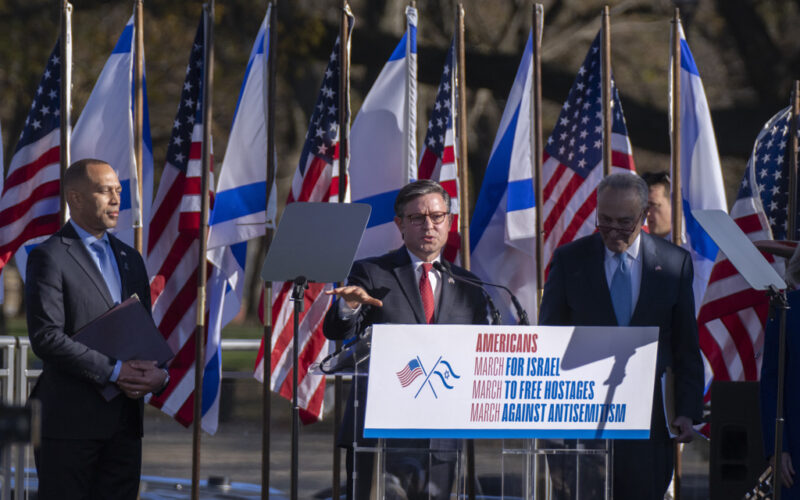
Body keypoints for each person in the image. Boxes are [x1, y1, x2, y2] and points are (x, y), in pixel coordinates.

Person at [539, 173, 703, 499]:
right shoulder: (570, 260)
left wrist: (686, 410)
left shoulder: (674, 264)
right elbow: (550, 340)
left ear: (645, 216)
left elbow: (685, 343)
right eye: (605, 221)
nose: (613, 231)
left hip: (651, 422)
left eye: (624, 223)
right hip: (583, 420)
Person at [323, 179, 488, 500]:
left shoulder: (470, 284)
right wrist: (350, 306)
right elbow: (338, 332)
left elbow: (479, 350)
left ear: (449, 222)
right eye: (417, 218)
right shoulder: (371, 273)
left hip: (443, 431)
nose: (429, 224)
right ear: (400, 224)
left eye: (437, 216)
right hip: (378, 429)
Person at [25, 159, 167, 500]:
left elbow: (142, 332)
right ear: (75, 198)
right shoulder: (49, 256)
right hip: (69, 423)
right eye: (105, 191)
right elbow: (47, 338)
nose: (116, 199)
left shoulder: (131, 258)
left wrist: (160, 376)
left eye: (118, 190)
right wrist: (116, 371)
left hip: (124, 424)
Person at [641, 170, 672, 239]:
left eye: (653, 205)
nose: (647, 213)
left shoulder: (691, 247)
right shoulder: (639, 247)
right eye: (645, 206)